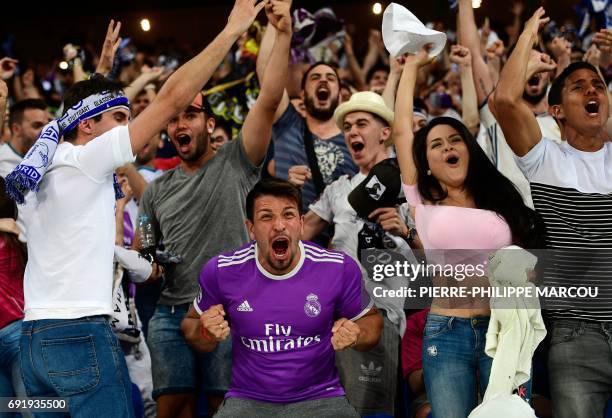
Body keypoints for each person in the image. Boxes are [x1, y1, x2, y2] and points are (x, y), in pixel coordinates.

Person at [10, 2, 267, 416]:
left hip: (36, 342)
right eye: (118, 117)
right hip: (80, 338)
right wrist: (231, 31)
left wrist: (101, 76)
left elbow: (74, 115)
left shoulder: (43, 165)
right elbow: (171, 99)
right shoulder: (86, 161)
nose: (127, 128)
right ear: (87, 125)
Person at [136, 2, 292, 416]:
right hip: (170, 313)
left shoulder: (238, 160)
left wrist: (284, 34)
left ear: (209, 123)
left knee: (228, 405)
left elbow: (270, 97)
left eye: (191, 114)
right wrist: (148, 262)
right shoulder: (156, 190)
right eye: (174, 118)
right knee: (172, 406)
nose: (180, 124)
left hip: (233, 309)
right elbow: (144, 248)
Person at [393, 44, 543, 418]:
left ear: (469, 149)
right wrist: (410, 66)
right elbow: (399, 132)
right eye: (436, 145)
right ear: (425, 162)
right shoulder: (423, 202)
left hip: (504, 328)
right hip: (446, 332)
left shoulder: (500, 200)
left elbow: (529, 261)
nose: (448, 148)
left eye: (455, 140)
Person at [494, 8, 612, 418]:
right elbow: (504, 100)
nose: (592, 90)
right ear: (556, 111)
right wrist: (527, 33)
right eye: (578, 87)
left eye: (598, 84)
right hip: (576, 334)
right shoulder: (545, 158)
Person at [180, 178, 383, 417]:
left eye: (288, 215)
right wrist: (206, 332)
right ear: (251, 228)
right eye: (266, 217)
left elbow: (372, 322)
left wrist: (356, 334)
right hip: (247, 399)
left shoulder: (337, 267)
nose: (279, 225)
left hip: (321, 397)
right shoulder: (222, 270)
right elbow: (190, 326)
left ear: (300, 222)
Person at [301, 91, 416, 415]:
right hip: (339, 316)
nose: (352, 131)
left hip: (388, 314)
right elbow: (297, 235)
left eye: (361, 123)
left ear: (384, 132)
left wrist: (404, 232)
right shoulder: (338, 189)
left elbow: (432, 251)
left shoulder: (409, 184)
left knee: (376, 409)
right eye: (347, 126)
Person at [257, 21, 358, 210]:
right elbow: (265, 70)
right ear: (302, 94)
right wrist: (274, 22)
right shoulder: (287, 123)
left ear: (340, 95)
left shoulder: (354, 137)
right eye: (315, 78)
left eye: (330, 78)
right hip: (292, 234)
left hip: (342, 237)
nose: (323, 81)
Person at [0, 176, 31, 418]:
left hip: (17, 336)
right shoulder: (19, 237)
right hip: (20, 333)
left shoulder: (17, 238)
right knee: (31, 411)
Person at [0, 99, 49, 178]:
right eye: (37, 126)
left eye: (47, 126)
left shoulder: (41, 158)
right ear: (16, 129)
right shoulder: (4, 163)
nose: (45, 132)